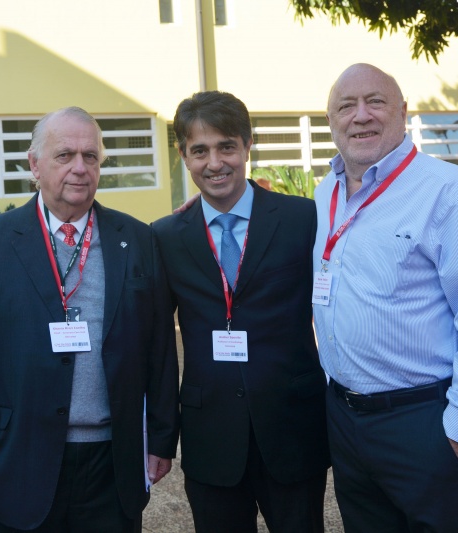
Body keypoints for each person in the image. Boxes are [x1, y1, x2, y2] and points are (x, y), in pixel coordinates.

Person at [314, 63, 458, 532]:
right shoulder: (325, 191)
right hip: (345, 420)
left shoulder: (450, 193)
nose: (360, 115)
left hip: (423, 422)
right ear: (331, 120)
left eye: (376, 101)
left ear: (403, 112)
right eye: (346, 106)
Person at [0, 106, 179, 532]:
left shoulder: (137, 239)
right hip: (18, 456)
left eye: (90, 156)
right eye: (65, 155)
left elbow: (160, 348)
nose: (80, 168)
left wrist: (161, 438)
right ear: (34, 165)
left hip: (112, 461)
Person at [154, 91, 329, 532]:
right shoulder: (166, 237)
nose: (215, 163)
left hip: (292, 426)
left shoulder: (303, 219)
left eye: (226, 146)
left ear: (248, 145)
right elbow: (155, 342)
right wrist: (159, 435)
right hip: (210, 432)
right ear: (183, 157)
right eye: (200, 151)